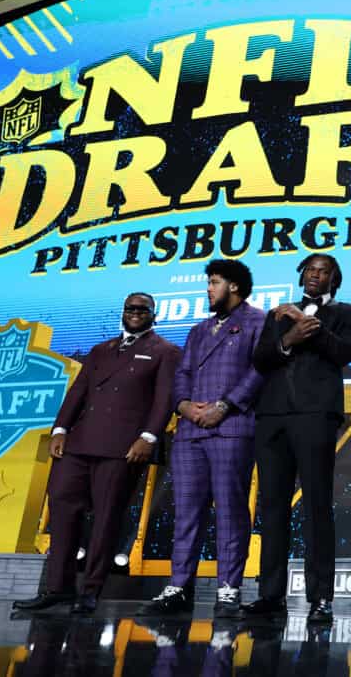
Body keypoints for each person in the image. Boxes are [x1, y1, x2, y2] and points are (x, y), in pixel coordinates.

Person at [13, 293, 179, 614]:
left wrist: (148, 437)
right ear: (123, 312)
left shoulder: (165, 352)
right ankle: (57, 588)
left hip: (123, 448)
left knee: (106, 518)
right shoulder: (101, 349)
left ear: (153, 315)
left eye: (142, 309)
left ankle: (90, 591)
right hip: (79, 442)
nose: (135, 313)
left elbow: (164, 399)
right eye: (130, 308)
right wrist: (60, 429)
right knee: (62, 510)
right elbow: (78, 391)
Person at [138, 260, 266, 618]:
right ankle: (179, 585)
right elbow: (183, 373)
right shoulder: (198, 330)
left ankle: (228, 589)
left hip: (232, 427)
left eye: (214, 282)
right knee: (186, 512)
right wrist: (182, 406)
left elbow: (261, 370)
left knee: (230, 510)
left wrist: (225, 405)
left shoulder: (257, 321)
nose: (208, 289)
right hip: (190, 431)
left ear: (234, 286)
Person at [243, 253, 351, 624]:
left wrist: (302, 323)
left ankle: (320, 597)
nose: (315, 275)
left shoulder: (349, 313)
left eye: (323, 271)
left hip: (316, 416)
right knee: (273, 507)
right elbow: (261, 359)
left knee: (316, 507)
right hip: (273, 417)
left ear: (334, 279)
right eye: (310, 270)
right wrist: (288, 337)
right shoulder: (276, 315)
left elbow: (342, 352)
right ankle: (270, 594)